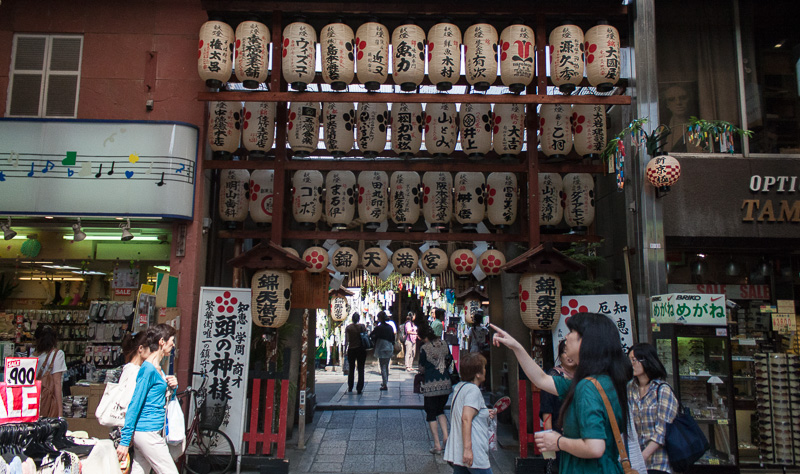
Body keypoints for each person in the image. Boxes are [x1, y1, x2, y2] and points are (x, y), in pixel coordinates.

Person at [491, 313, 630, 474]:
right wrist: (516, 346)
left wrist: (558, 441)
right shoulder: (605, 382)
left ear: (586, 342)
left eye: (571, 332)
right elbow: (541, 379)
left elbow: (594, 447)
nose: (566, 337)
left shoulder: (587, 387)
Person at [116, 324, 179, 474]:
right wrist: (125, 441)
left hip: (148, 432)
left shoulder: (157, 368)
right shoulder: (148, 369)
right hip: (148, 433)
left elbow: (161, 399)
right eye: (172, 341)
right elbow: (135, 404)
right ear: (162, 342)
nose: (173, 345)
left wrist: (173, 387)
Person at [627, 343, 679, 474]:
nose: (631, 364)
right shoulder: (630, 388)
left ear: (646, 360)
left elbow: (662, 431)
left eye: (634, 360)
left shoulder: (662, 390)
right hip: (635, 462)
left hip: (659, 463)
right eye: (629, 360)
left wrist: (642, 457)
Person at [443, 353, 497, 474]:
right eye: (483, 368)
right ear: (477, 374)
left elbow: (467, 412)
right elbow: (466, 418)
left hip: (458, 451)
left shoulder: (460, 387)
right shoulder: (473, 390)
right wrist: (468, 450)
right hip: (474, 451)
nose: (485, 370)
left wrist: (484, 412)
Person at [540, 339, 577, 473]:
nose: (568, 356)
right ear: (559, 356)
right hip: (558, 435)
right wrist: (549, 440)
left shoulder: (583, 376)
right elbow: (547, 412)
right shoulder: (553, 377)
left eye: (571, 351)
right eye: (564, 352)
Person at [418, 325, 452, 454]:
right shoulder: (444, 344)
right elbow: (449, 359)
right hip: (446, 382)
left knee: (431, 413)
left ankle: (437, 445)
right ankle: (446, 437)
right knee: (440, 410)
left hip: (431, 384)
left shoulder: (424, 348)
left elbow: (421, 367)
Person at [34, 325, 66, 418]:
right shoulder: (57, 354)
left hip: (34, 400)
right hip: (49, 400)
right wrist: (60, 413)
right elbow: (57, 383)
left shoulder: (31, 355)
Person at [370, 311, 395, 391]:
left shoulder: (379, 328)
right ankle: (385, 381)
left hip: (381, 347)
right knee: (386, 365)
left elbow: (372, 335)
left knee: (383, 366)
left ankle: (384, 383)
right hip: (389, 346)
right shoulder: (390, 327)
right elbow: (393, 338)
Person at [344, 312, 367, 394]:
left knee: (351, 368)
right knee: (361, 369)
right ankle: (359, 388)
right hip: (361, 349)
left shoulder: (348, 328)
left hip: (352, 349)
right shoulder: (362, 327)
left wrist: (345, 350)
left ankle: (350, 386)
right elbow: (365, 336)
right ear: (359, 319)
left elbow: (347, 340)